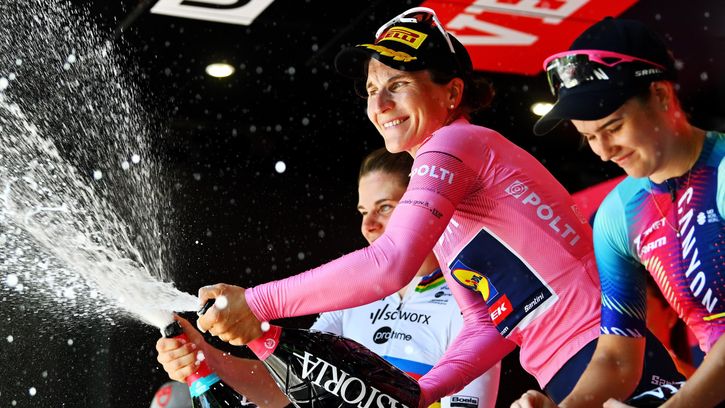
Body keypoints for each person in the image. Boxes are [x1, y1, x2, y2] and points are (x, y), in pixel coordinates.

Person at [193, 7, 683, 407]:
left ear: (452, 93)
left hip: (606, 357)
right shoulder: (453, 192)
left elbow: (389, 265)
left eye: (399, 84)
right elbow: (488, 326)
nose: (380, 104)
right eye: (371, 89)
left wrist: (256, 301)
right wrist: (423, 391)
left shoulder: (454, 143)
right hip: (575, 368)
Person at [156, 148, 502, 408]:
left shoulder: (471, 305)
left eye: (385, 207)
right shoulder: (354, 297)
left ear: (427, 208)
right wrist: (207, 356)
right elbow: (285, 387)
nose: (368, 226)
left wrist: (254, 308)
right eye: (363, 212)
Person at [515, 16, 725, 408]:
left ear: (661, 95)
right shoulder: (618, 213)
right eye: (589, 137)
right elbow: (617, 357)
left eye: (613, 127)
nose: (603, 151)